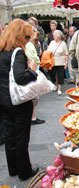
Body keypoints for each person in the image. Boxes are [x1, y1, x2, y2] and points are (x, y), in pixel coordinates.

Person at [0, 18, 39, 180]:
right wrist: (32, 70)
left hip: (3, 100)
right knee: (21, 136)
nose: (27, 40)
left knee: (10, 136)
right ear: (19, 36)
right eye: (27, 37)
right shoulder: (18, 53)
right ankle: (24, 171)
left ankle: (14, 169)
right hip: (18, 102)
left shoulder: (2, 51)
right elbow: (20, 77)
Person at [25, 29, 46, 125]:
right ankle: (32, 118)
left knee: (31, 96)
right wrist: (37, 62)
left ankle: (31, 117)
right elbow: (34, 59)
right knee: (33, 96)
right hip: (31, 71)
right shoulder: (28, 45)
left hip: (28, 71)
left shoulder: (26, 44)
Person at [47, 30, 69, 95]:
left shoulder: (63, 43)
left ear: (58, 36)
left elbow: (66, 54)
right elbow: (48, 51)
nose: (53, 36)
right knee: (52, 74)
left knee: (60, 75)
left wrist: (66, 62)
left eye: (54, 35)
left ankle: (59, 88)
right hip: (52, 62)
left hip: (61, 62)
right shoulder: (52, 42)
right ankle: (55, 84)